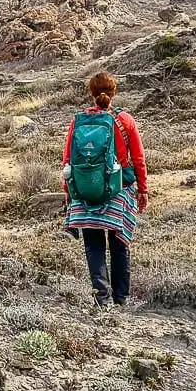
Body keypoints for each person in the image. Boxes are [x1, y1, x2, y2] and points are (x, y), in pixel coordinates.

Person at [62, 71, 149, 307]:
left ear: (91, 94)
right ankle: (121, 298)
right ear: (114, 92)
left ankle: (101, 299)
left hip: (86, 189)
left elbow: (67, 159)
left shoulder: (78, 121)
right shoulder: (125, 120)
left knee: (93, 244)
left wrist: (69, 191)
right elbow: (138, 158)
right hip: (118, 188)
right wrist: (143, 189)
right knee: (120, 243)